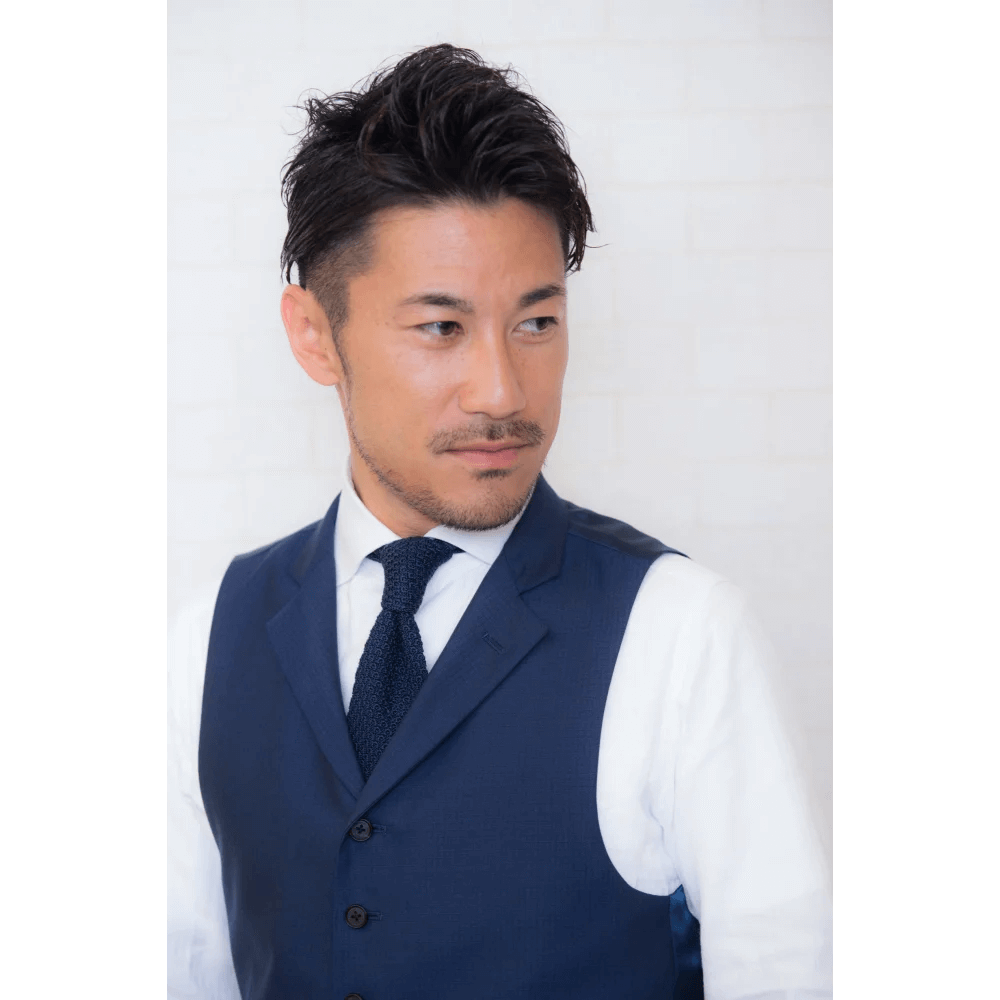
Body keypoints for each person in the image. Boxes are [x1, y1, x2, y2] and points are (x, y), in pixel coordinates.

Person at [167, 44, 832, 1000]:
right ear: (315, 336)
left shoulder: (683, 634)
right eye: (441, 327)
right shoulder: (206, 642)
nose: (503, 390)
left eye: (536, 323)